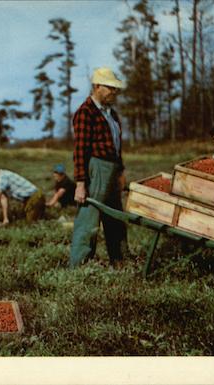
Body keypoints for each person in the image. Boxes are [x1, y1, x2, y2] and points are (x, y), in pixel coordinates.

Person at [70, 67, 129, 268]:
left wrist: (120, 171)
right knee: (89, 220)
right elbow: (80, 150)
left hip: (112, 170)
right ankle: (80, 266)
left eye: (116, 88)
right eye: (110, 88)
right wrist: (80, 183)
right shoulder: (86, 113)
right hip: (96, 168)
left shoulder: (111, 114)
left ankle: (120, 261)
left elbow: (116, 146)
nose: (114, 92)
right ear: (96, 87)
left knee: (116, 218)